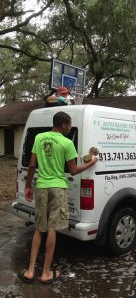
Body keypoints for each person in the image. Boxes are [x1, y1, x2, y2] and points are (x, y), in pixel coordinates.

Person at [19, 111, 98, 284]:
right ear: (63, 124)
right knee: (52, 229)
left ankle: (30, 271)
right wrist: (92, 162)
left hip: (41, 187)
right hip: (58, 188)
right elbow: (74, 170)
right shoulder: (67, 143)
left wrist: (27, 187)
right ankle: (46, 273)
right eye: (69, 125)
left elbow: (32, 165)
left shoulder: (39, 138)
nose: (70, 128)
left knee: (40, 228)